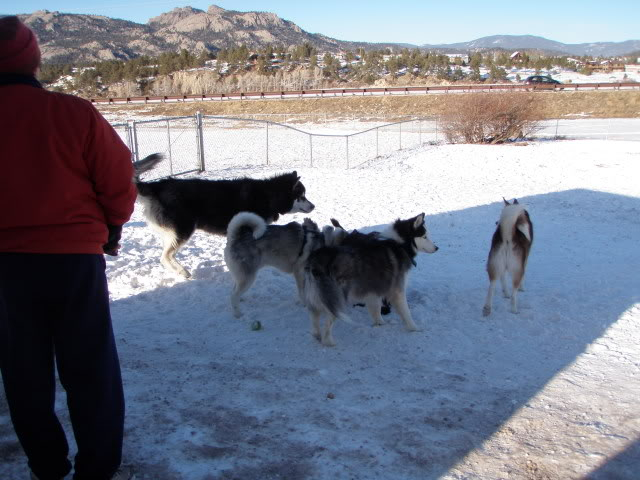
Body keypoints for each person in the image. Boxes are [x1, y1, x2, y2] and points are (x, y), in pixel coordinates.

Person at [0, 16, 137, 480]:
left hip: (4, 269)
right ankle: (97, 468)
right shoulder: (73, 112)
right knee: (90, 366)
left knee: (22, 372)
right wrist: (112, 227)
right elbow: (118, 179)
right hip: (73, 260)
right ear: (34, 58)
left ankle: (47, 464)